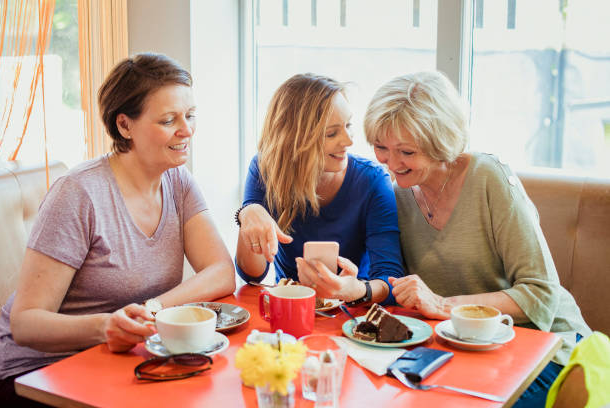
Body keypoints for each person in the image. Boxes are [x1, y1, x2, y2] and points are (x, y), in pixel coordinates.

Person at [0, 53, 235, 405]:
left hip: (121, 359)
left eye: (190, 115)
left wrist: (151, 309)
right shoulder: (79, 194)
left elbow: (221, 273)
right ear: (124, 126)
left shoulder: (178, 181)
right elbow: (27, 324)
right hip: (37, 373)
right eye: (169, 120)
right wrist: (106, 326)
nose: (186, 130)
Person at [363, 71, 591, 407]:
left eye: (406, 152)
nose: (391, 163)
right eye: (381, 147)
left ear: (439, 144)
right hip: (462, 349)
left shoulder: (489, 178)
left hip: (543, 347)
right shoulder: (395, 194)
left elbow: (541, 294)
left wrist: (443, 306)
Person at [235, 73, 404, 305]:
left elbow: (391, 280)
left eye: (348, 126)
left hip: (354, 313)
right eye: (331, 133)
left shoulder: (373, 181)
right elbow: (252, 275)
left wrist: (358, 290)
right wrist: (249, 212)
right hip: (292, 308)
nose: (348, 141)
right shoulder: (267, 169)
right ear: (294, 140)